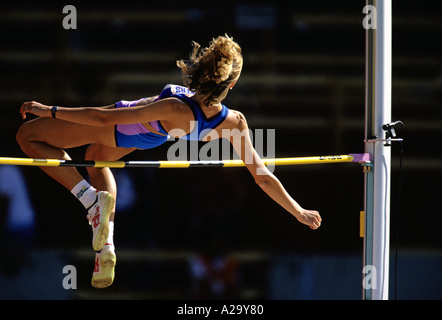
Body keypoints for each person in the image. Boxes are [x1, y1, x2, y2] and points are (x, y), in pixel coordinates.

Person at [16, 35, 322, 289]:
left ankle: (89, 201)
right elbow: (263, 177)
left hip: (122, 127)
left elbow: (101, 116)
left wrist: (51, 109)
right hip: (152, 139)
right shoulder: (235, 122)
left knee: (28, 137)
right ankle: (106, 241)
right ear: (230, 86)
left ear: (204, 71)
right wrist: (298, 211)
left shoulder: (175, 105)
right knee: (96, 159)